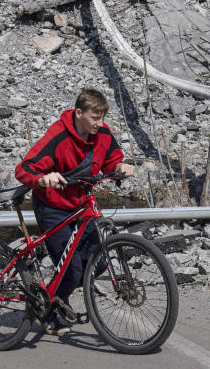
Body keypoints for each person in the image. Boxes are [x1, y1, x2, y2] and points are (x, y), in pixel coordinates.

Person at [15, 88, 134, 334]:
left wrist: (121, 165)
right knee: (71, 268)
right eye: (95, 118)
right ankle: (48, 310)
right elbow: (24, 168)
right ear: (79, 113)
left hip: (82, 204)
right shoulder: (58, 135)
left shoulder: (102, 133)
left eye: (103, 117)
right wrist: (43, 179)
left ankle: (56, 297)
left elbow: (112, 157)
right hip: (53, 207)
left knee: (97, 260)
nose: (100, 124)